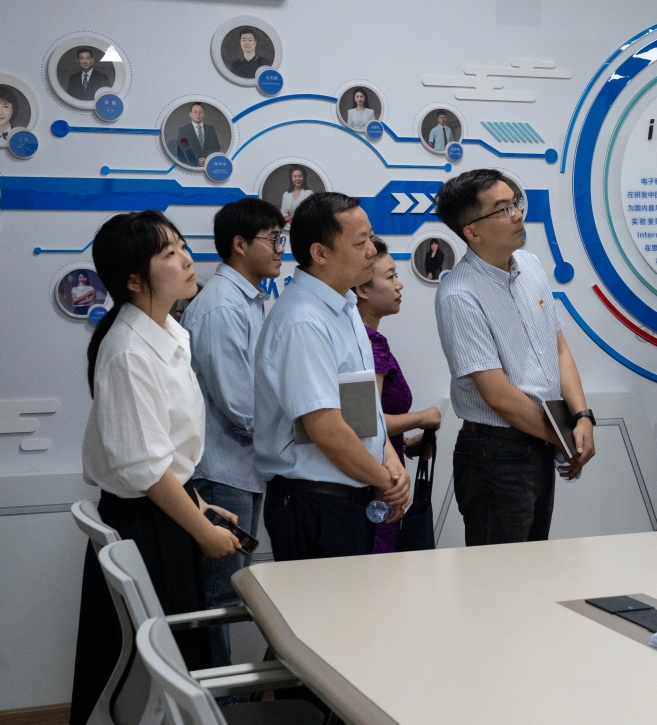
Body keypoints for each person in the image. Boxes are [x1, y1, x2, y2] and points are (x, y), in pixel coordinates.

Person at [70, 211, 240, 725]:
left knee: (174, 663)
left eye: (183, 246)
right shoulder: (128, 351)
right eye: (169, 253)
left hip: (165, 510)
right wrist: (203, 533)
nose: (187, 259)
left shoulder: (167, 333)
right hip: (147, 524)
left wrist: (200, 506)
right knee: (157, 674)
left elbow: (165, 453)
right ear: (133, 279)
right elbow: (144, 469)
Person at [434, 168, 596, 545]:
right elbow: (498, 396)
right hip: (496, 453)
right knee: (501, 573)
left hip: (540, 440)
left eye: (516, 203)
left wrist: (582, 416)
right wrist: (562, 439)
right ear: (472, 231)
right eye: (503, 209)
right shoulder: (459, 295)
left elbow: (558, 348)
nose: (518, 215)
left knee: (535, 563)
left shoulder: (531, 266)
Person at [254, 193, 411, 563]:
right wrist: (384, 480)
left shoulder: (345, 307)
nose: (372, 250)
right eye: (360, 242)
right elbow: (326, 428)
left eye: (371, 237)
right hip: (314, 504)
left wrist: (389, 459)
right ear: (320, 253)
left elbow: (361, 406)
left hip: (348, 496)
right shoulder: (303, 321)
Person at [181, 198, 284, 668]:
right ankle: (214, 702)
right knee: (219, 595)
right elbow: (240, 405)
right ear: (239, 244)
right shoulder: (221, 306)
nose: (280, 248)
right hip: (222, 472)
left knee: (230, 590)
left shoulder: (250, 299)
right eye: (272, 239)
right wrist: (301, 435)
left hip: (245, 467)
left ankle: (220, 699)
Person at [355, 237, 443, 553]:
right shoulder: (369, 343)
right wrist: (422, 418)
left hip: (380, 476)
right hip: (375, 486)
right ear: (362, 289)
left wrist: (401, 443)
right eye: (390, 276)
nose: (399, 284)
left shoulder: (366, 338)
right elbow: (363, 423)